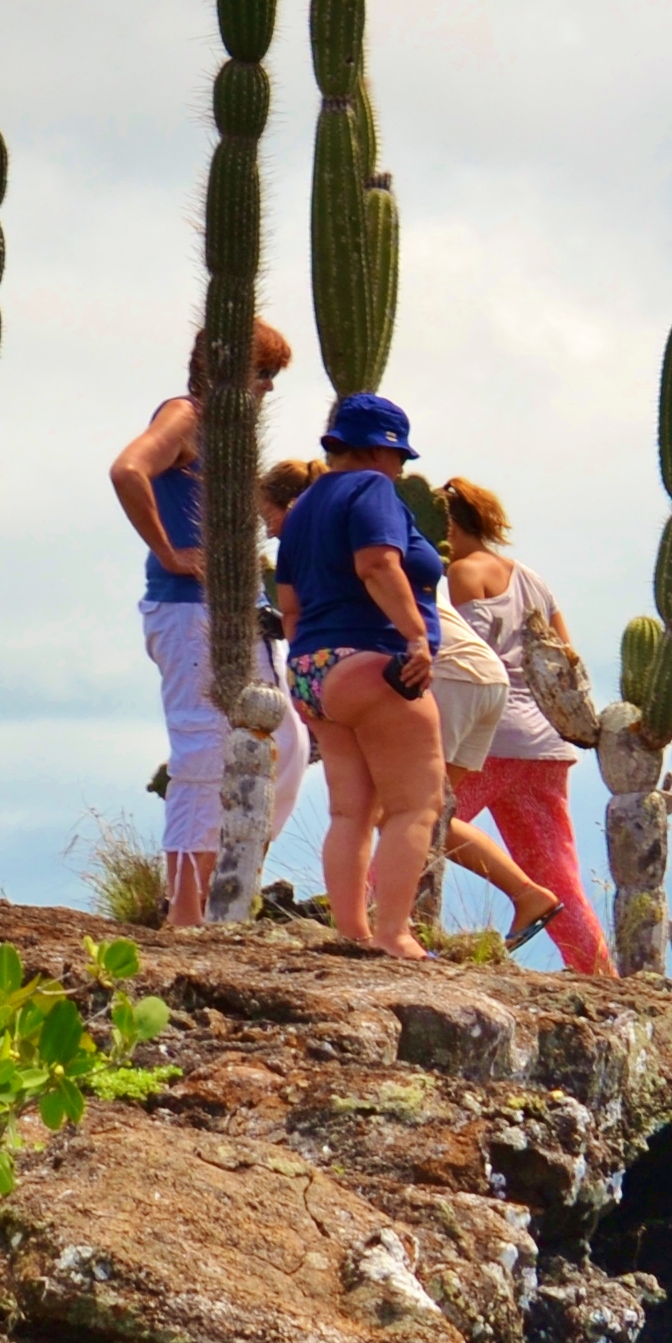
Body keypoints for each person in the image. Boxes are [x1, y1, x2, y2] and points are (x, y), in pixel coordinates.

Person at [111, 323, 311, 924]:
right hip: (187, 604)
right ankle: (187, 909)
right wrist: (172, 551)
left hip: (224, 608)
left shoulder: (224, 433)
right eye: (262, 373)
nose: (268, 389)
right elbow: (128, 470)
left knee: (287, 742)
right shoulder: (185, 414)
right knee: (203, 749)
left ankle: (224, 881)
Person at [273, 395, 453, 955]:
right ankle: (395, 934)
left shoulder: (300, 508)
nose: (401, 470)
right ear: (379, 450)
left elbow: (290, 604)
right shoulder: (372, 489)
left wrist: (312, 665)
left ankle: (352, 932)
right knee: (415, 805)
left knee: (350, 809)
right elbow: (376, 563)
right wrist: (416, 638)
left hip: (310, 669)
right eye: (399, 457)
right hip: (371, 662)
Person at [440, 480, 614, 975]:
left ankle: (364, 919)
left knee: (422, 819)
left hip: (491, 736)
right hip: (547, 744)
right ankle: (597, 973)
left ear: (449, 525)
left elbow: (468, 661)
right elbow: (565, 661)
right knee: (557, 868)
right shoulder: (533, 580)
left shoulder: (461, 575)